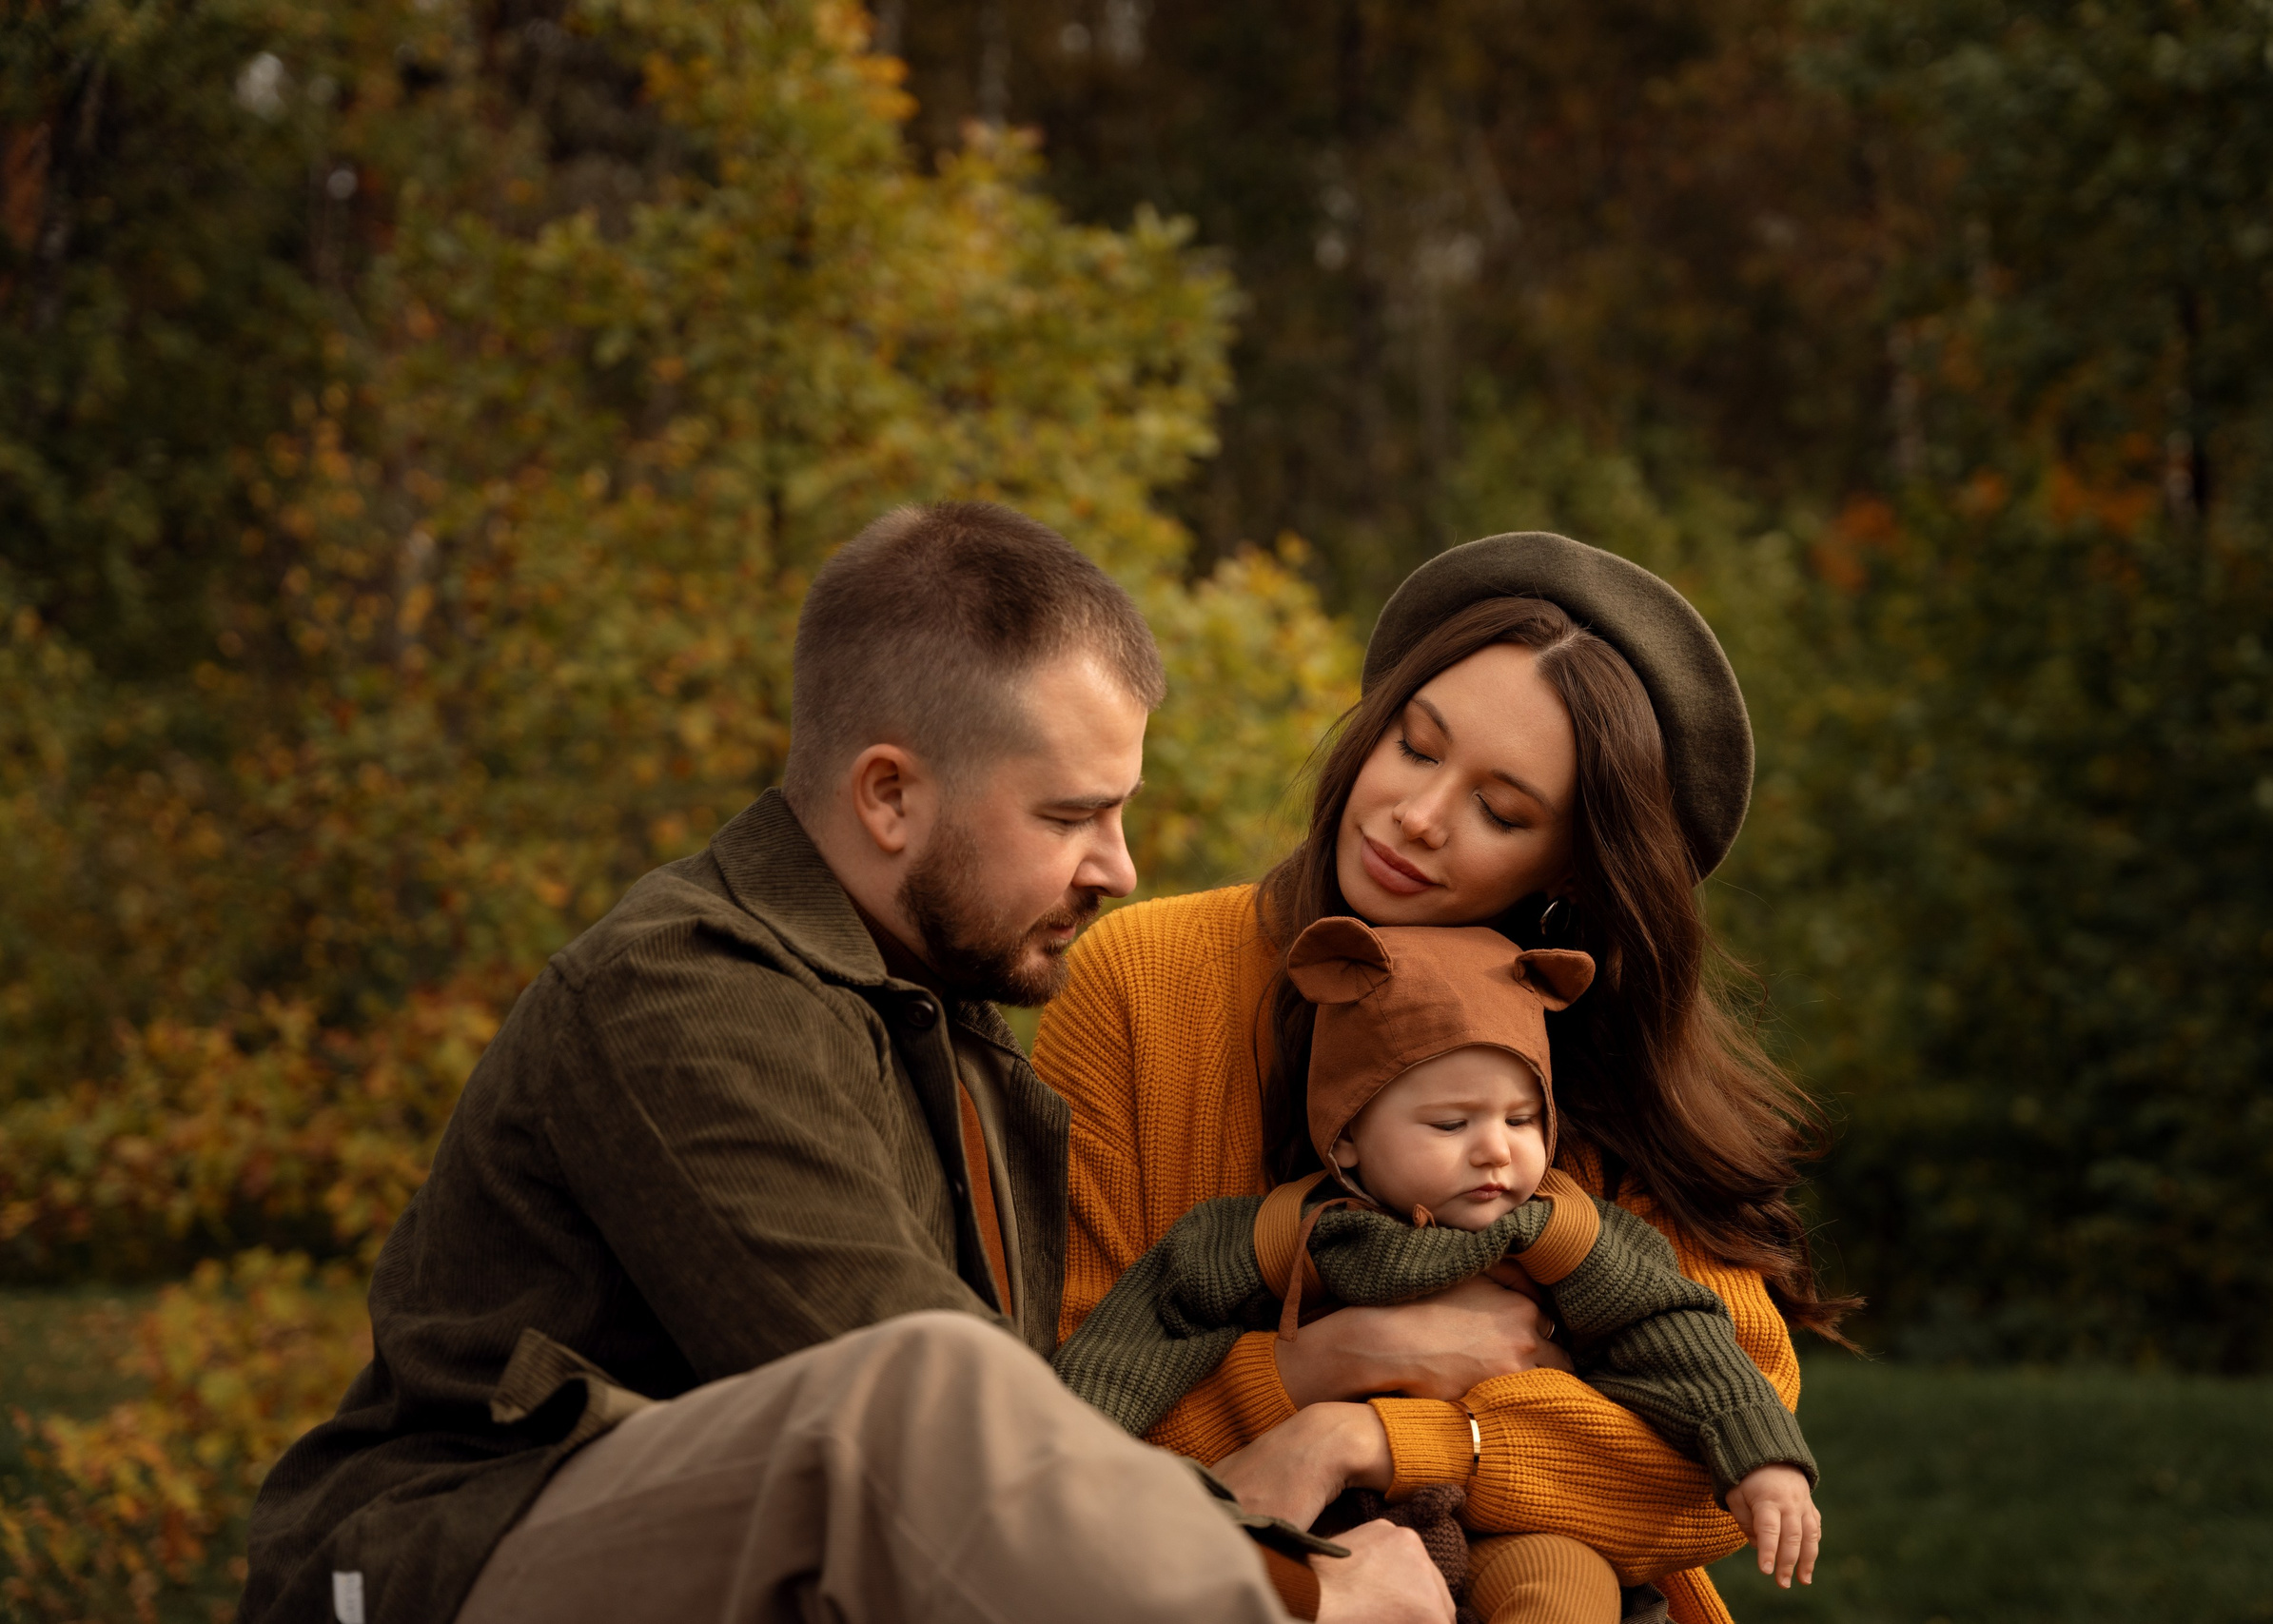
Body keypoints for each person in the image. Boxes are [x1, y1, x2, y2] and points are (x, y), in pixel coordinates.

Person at [238, 502, 1454, 1624]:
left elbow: (1032, 1454)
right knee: (921, 1384)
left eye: (1120, 814)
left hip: (716, 1562)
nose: (1119, 868)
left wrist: (1296, 1459)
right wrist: (1298, 1591)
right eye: (1070, 816)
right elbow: (916, 1418)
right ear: (888, 798)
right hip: (427, 1575)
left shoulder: (939, 1028)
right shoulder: (682, 994)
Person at [1034, 531, 1859, 1624]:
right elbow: (1059, 1420)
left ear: (1573, 864)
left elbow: (1715, 1462)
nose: (1417, 817)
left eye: (1501, 812)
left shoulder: (1591, 1038)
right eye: (1416, 749)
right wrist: (1329, 1364)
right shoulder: (1142, 982)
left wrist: (1373, 1434)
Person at [1052, 916, 1822, 1624]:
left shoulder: (1563, 1233)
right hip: (1320, 1516)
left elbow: (1673, 1328)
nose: (1495, 1148)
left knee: (1562, 1586)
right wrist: (1076, 1429)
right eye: (1451, 1123)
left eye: (1522, 1119)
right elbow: (1147, 1318)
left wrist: (1760, 1454)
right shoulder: (1291, 1232)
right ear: (1347, 1136)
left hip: (1508, 1518)